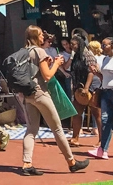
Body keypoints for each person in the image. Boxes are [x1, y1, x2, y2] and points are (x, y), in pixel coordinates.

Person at [18, 25, 90, 176]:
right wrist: (56, 64)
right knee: (57, 128)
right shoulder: (39, 51)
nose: (43, 37)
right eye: (41, 35)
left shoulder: (24, 51)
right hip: (40, 93)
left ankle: (27, 163)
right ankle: (72, 162)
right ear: (35, 37)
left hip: (27, 95)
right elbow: (47, 76)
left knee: (31, 130)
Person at [70, 34, 101, 147]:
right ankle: (75, 138)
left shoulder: (87, 54)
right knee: (77, 112)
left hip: (92, 85)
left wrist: (87, 88)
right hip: (80, 86)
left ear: (79, 44)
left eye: (73, 44)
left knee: (96, 113)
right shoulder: (76, 55)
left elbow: (91, 72)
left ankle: (102, 140)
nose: (72, 46)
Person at [89, 37, 113, 159]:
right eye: (102, 45)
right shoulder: (105, 59)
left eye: (105, 45)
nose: (103, 47)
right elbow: (104, 77)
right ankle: (103, 149)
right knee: (105, 120)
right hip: (105, 91)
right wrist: (96, 73)